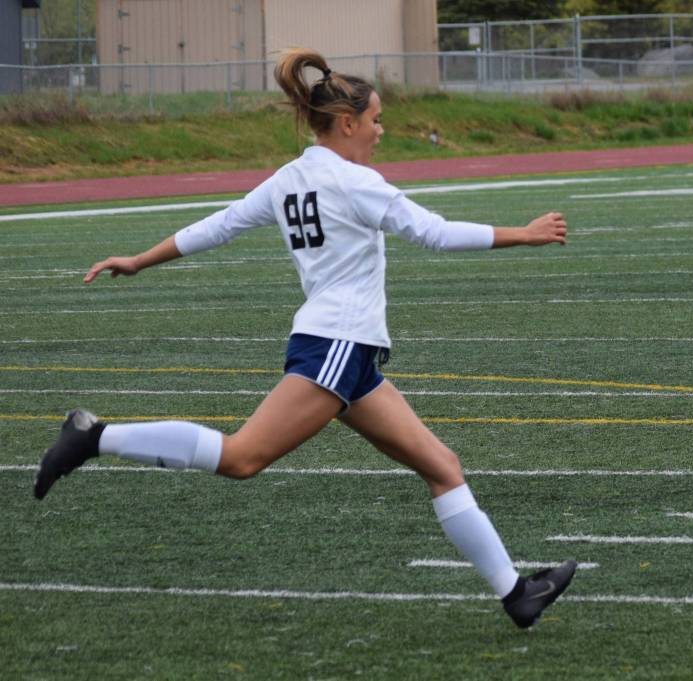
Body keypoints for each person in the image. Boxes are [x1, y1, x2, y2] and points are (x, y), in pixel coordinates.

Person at [32, 48, 576, 629]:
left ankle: (516, 593)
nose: (381, 131)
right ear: (346, 122)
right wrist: (523, 233)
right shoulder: (355, 182)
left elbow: (218, 226)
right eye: (375, 120)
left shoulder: (289, 177)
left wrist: (141, 259)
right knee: (242, 457)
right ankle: (94, 438)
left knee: (442, 466)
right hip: (337, 345)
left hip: (347, 353)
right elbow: (434, 233)